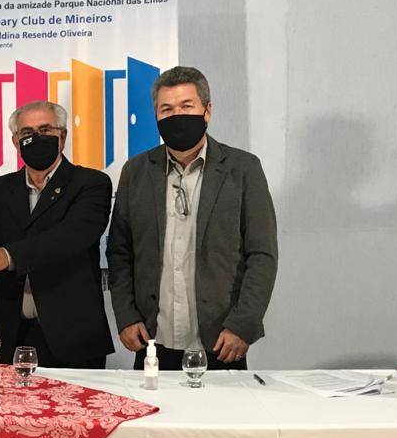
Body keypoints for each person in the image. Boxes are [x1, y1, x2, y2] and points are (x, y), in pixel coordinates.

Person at [107, 65, 277, 370]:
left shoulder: (243, 169)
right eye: (167, 109)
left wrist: (243, 324)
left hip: (222, 341)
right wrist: (126, 316)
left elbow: (262, 254)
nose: (177, 116)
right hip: (152, 342)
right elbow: (119, 252)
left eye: (187, 106)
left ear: (207, 110)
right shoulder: (136, 172)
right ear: (156, 115)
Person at [0, 100, 114, 368]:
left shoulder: (91, 184)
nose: (36, 138)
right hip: (11, 333)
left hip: (73, 336)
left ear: (63, 137)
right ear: (15, 141)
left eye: (45, 130)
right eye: (27, 133)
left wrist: (7, 255)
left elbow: (71, 237)